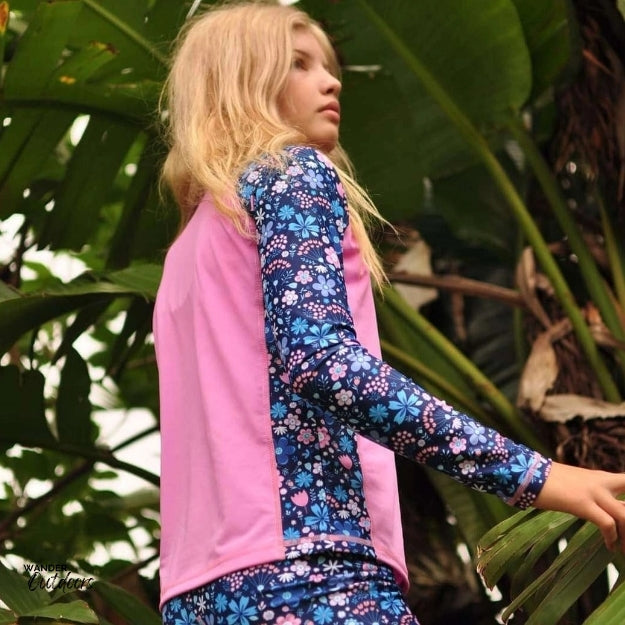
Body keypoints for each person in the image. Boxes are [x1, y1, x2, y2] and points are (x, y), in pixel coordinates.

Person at [153, 2, 625, 623]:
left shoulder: (184, 255)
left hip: (198, 595)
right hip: (311, 569)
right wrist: (535, 476)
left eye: (328, 64)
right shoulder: (291, 176)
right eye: (299, 64)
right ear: (242, 79)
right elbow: (322, 362)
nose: (332, 80)